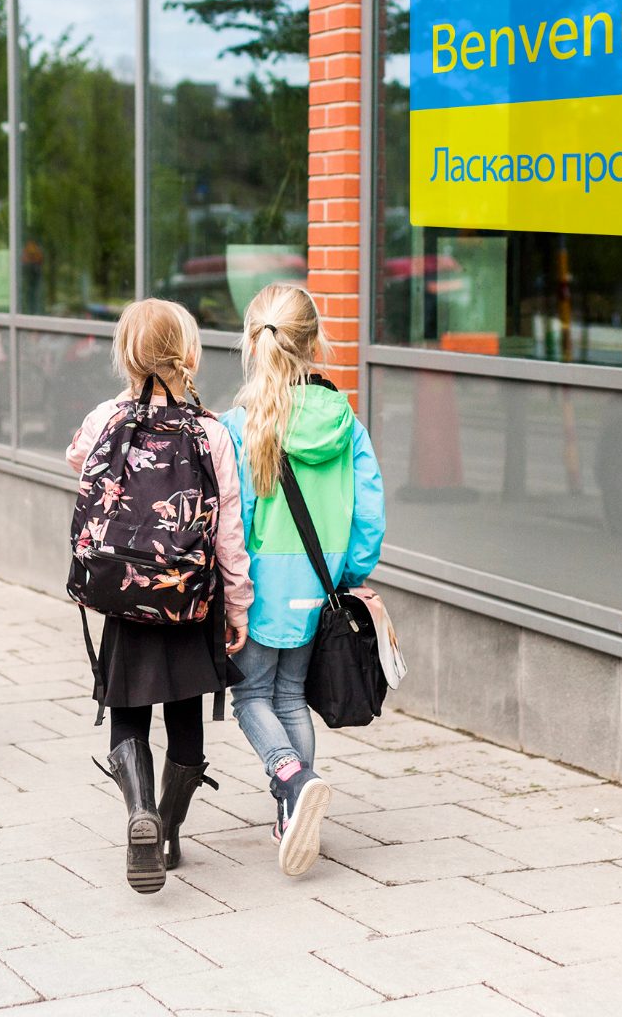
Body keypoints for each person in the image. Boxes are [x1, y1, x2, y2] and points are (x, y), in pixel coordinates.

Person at [65, 298, 253, 893]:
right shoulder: (211, 431)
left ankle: (139, 809)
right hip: (190, 600)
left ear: (125, 355)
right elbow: (228, 530)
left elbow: (76, 458)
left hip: (125, 594)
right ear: (189, 353)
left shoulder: (106, 418)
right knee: (185, 715)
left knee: (128, 711)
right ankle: (169, 832)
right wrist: (239, 604)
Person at [222, 283, 386, 877]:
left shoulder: (239, 426)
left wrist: (227, 591)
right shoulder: (346, 421)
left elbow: (231, 519)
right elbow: (369, 513)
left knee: (250, 697)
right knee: (291, 696)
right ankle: (292, 815)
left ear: (252, 341)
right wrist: (349, 572)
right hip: (318, 585)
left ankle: (294, 779)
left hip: (262, 587)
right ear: (314, 342)